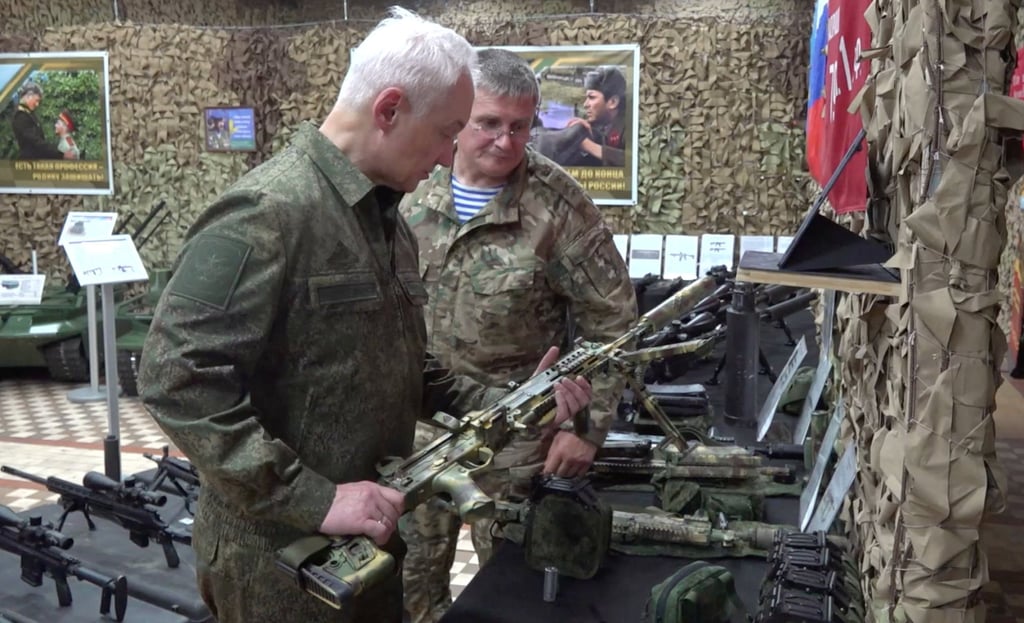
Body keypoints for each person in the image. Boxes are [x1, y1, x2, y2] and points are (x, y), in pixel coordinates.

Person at [137, 10, 591, 623]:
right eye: (446, 132)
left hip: (367, 544)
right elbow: (176, 380)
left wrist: (509, 400)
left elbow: (400, 364)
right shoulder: (266, 213)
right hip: (281, 562)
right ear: (389, 109)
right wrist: (312, 497)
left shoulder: (386, 221)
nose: (447, 156)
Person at [398, 48, 637, 623]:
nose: (505, 141)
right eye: (488, 123)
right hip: (412, 430)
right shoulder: (409, 183)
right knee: (406, 588)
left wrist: (587, 430)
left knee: (509, 594)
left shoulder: (558, 205)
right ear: (459, 118)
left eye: (520, 126)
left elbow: (614, 322)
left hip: (516, 436)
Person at [566, 65, 628, 167]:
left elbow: (632, 160)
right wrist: (582, 131)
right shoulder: (600, 121)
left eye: (592, 97)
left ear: (613, 102)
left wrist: (587, 145)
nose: (585, 104)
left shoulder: (630, 125)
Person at [11, 81, 69, 160]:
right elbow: (35, 143)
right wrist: (60, 155)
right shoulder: (21, 116)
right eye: (36, 100)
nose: (37, 104)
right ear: (29, 96)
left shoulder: (28, 113)